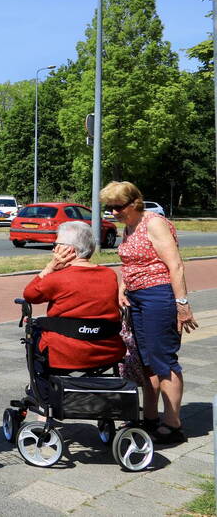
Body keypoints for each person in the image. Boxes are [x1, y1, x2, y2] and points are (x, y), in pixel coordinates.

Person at [101, 180, 197, 445]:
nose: (113, 212)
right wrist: (123, 288)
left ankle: (173, 423)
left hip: (158, 296)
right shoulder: (129, 226)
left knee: (163, 359)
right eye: (109, 208)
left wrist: (182, 305)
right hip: (136, 298)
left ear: (134, 203)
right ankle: (151, 416)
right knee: (144, 360)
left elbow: (175, 265)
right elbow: (129, 262)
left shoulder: (153, 223)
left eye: (118, 207)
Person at [22, 222, 126, 373]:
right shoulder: (109, 275)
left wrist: (50, 267)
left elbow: (30, 295)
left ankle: (42, 392)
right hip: (107, 351)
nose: (53, 248)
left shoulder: (57, 278)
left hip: (65, 353)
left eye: (56, 244)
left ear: (68, 249)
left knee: (35, 335)